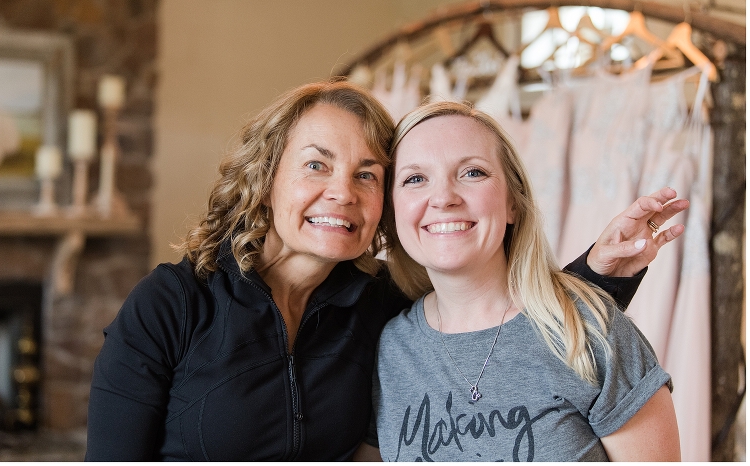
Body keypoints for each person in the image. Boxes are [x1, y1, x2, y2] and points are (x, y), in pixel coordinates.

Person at [85, 81, 686, 461]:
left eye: (367, 175)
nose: (342, 192)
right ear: (265, 179)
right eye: (316, 165)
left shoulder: (377, 307)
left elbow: (501, 318)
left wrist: (596, 278)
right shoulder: (173, 304)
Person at [361, 101, 682, 462]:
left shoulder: (590, 330)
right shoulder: (390, 348)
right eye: (415, 179)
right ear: (392, 209)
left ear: (512, 203)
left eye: (472, 172)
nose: (444, 198)